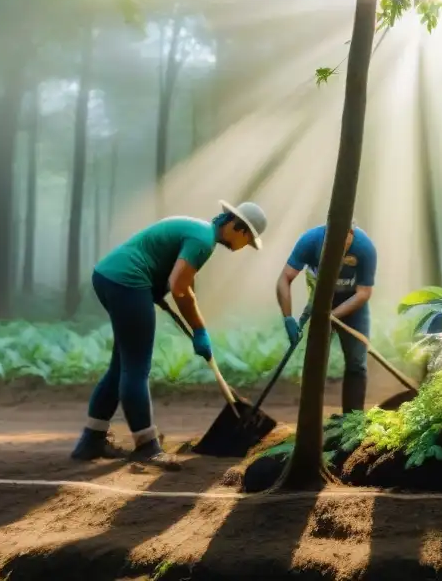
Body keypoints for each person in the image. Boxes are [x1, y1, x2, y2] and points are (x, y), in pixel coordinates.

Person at [70, 200, 268, 469]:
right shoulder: (202, 241)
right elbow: (179, 288)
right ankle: (147, 447)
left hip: (109, 277)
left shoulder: (199, 232)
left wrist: (195, 324)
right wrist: (199, 331)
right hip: (127, 281)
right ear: (239, 228)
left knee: (122, 367)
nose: (243, 247)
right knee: (136, 368)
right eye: (248, 241)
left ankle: (90, 442)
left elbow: (183, 285)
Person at [276, 220, 377, 413]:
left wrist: (331, 316)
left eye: (344, 242)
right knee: (314, 361)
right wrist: (288, 317)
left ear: (351, 233)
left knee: (357, 363)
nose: (340, 247)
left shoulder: (364, 247)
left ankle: (352, 420)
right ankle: (310, 418)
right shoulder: (311, 240)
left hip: (354, 305)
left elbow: (364, 292)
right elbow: (284, 278)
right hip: (320, 302)